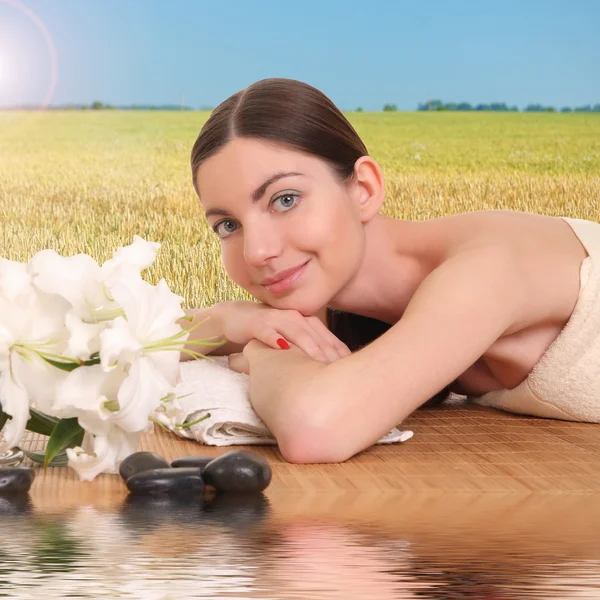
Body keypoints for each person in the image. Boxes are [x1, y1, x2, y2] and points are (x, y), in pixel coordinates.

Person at [178, 77, 600, 464]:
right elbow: (125, 347)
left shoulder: (487, 268)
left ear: (364, 189)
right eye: (228, 226)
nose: (258, 251)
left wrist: (262, 352)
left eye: (285, 200)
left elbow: (316, 426)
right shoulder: (330, 302)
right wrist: (233, 319)